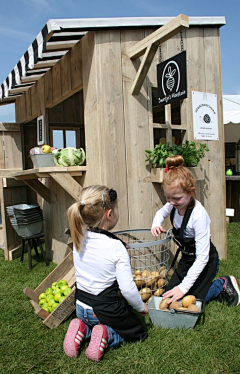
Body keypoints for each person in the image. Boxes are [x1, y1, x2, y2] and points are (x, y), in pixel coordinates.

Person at [63, 185, 148, 362]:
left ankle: (81, 327)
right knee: (137, 330)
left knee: (89, 318)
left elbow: (99, 244)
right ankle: (107, 335)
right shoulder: (115, 247)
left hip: (80, 306)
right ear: (109, 214)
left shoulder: (79, 237)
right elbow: (128, 290)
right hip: (103, 310)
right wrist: (141, 307)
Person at [151, 155, 240, 307]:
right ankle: (191, 287)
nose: (172, 203)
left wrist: (184, 287)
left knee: (194, 300)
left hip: (205, 261)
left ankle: (222, 284)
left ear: (191, 192)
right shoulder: (173, 204)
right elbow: (161, 213)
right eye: (168, 198)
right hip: (187, 260)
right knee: (170, 295)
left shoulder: (198, 215)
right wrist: (156, 224)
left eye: (177, 198)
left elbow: (202, 258)